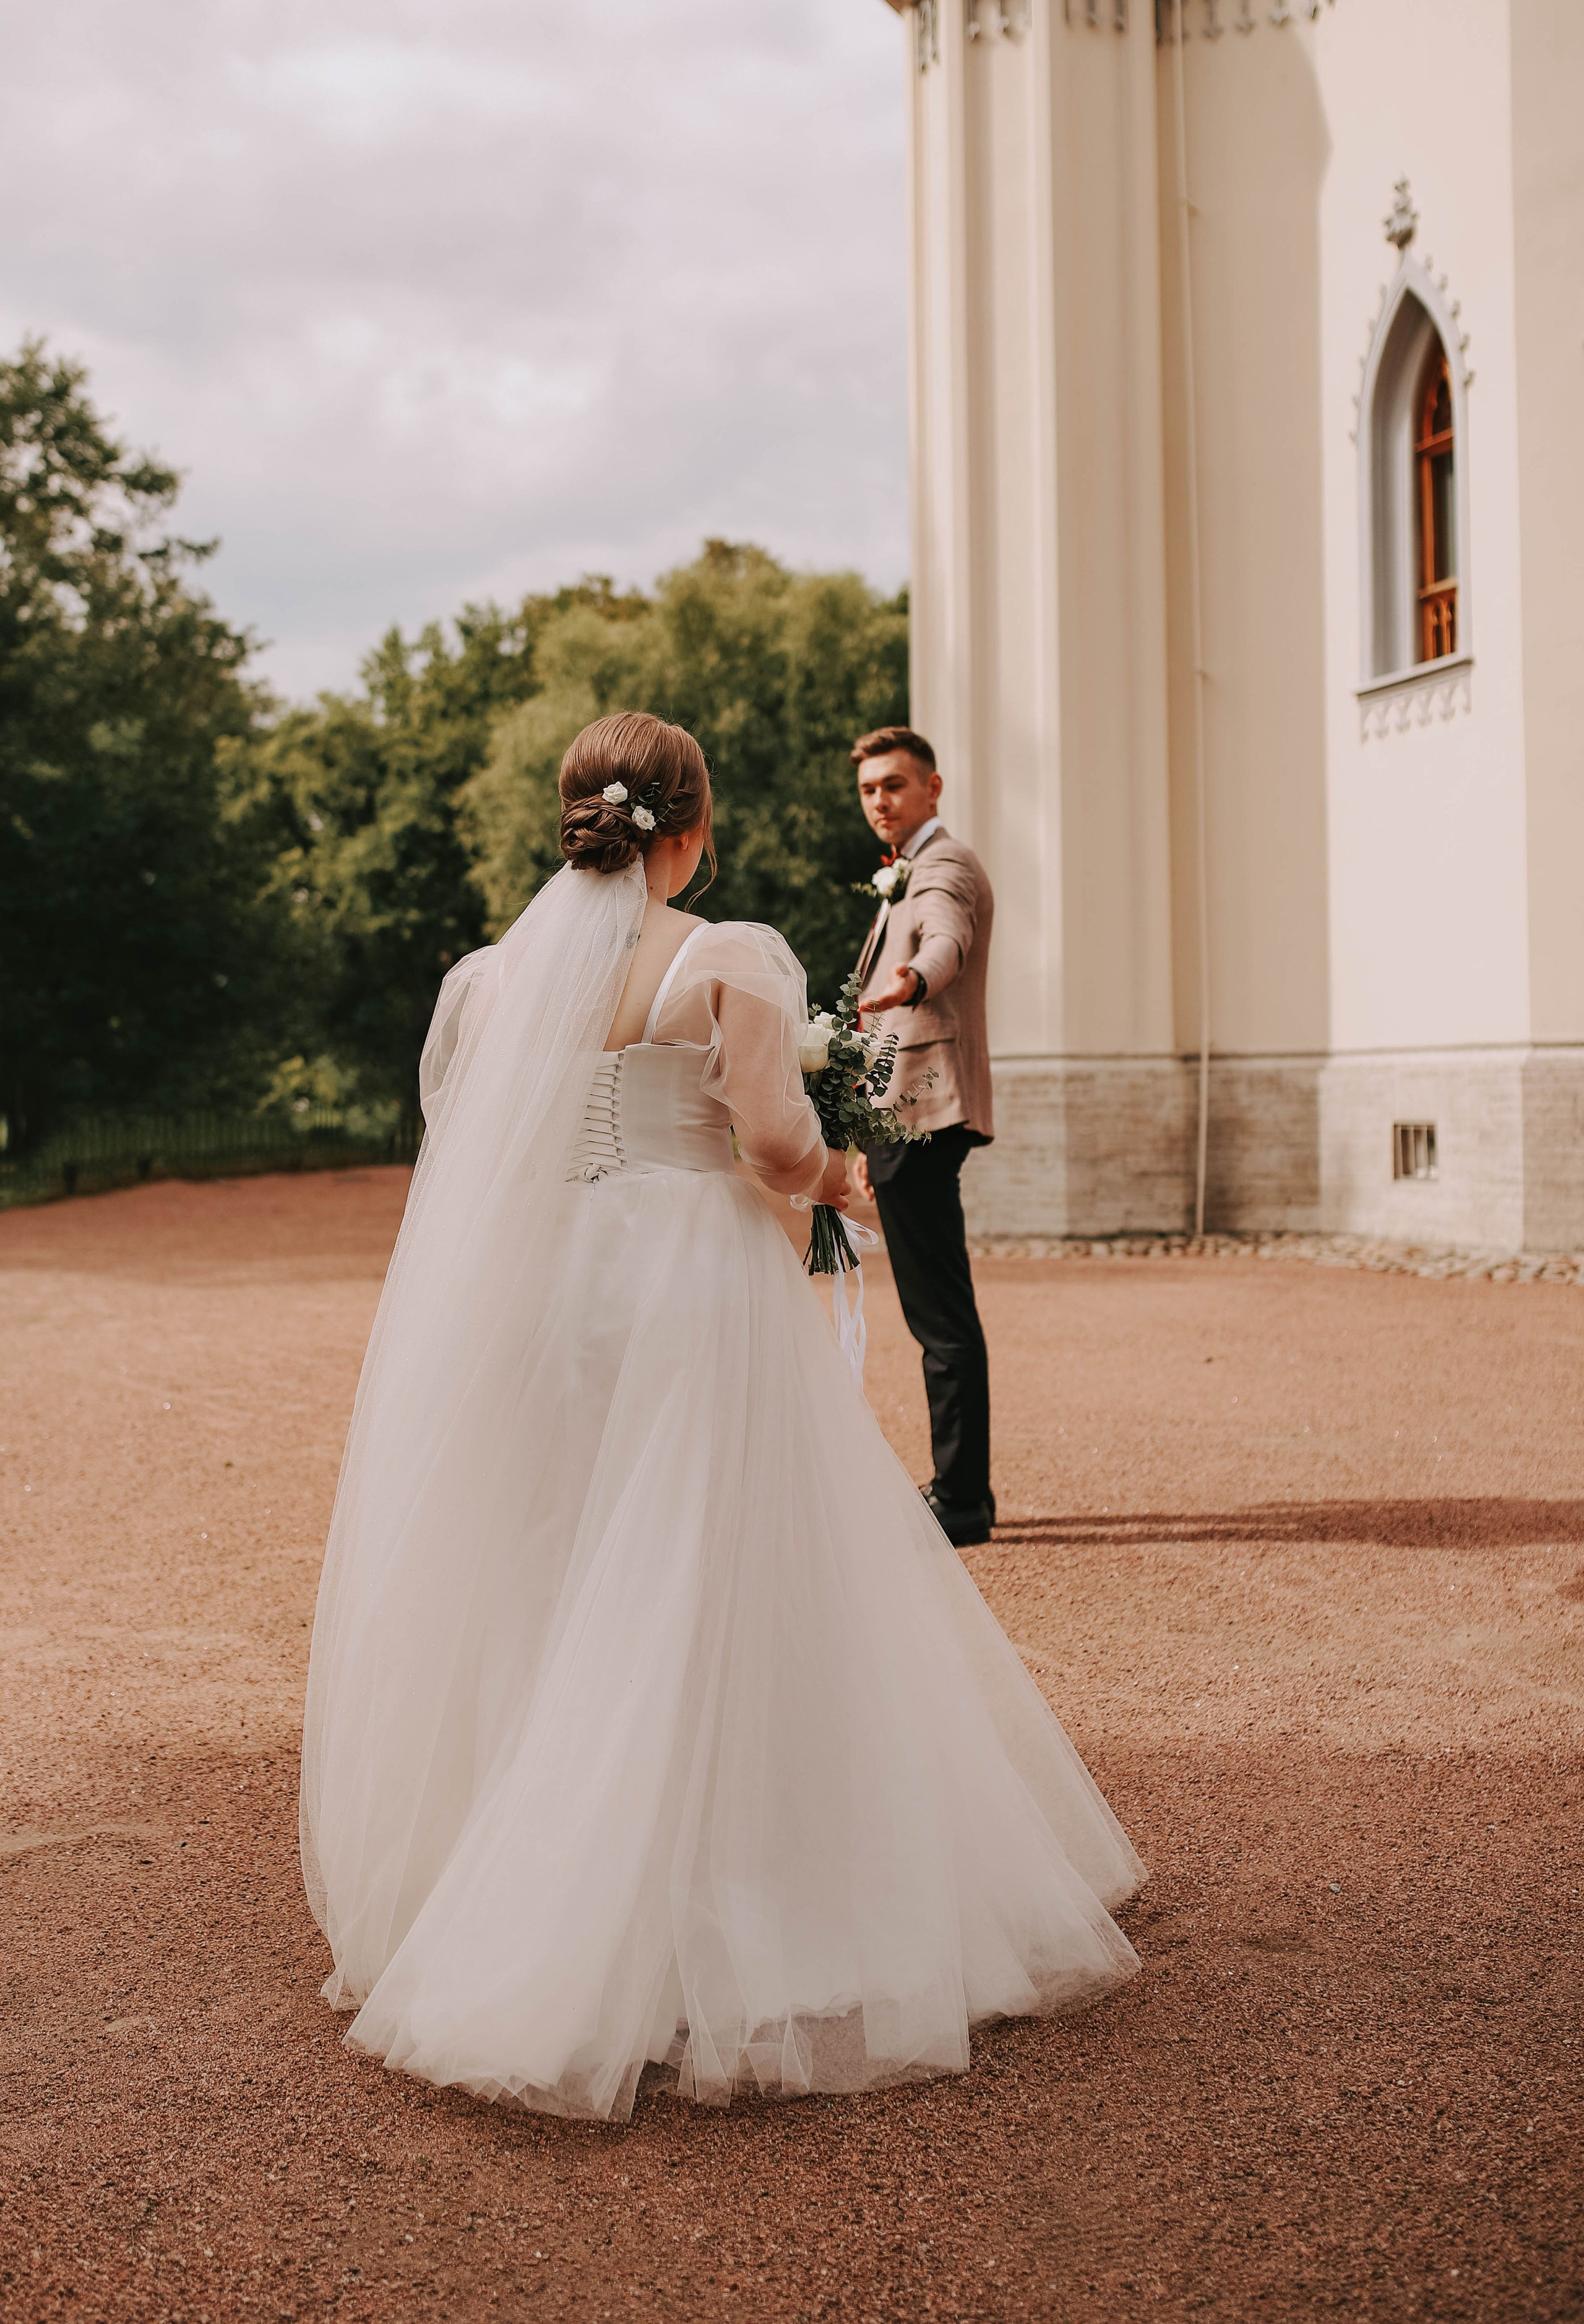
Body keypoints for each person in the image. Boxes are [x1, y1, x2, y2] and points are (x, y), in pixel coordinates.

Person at [299, 710, 1142, 2124]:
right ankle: (725, 1903)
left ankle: (527, 1893)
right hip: (690, 1289)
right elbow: (764, 1139)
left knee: (559, 1569)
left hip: (546, 1299)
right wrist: (837, 1180)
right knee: (705, 1570)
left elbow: (476, 1150)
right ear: (689, 827)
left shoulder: (490, 981)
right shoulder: (728, 956)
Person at [851, 726, 997, 1549]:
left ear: (933, 789)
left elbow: (946, 935)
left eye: (895, 785)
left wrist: (918, 974)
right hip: (901, 1115)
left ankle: (962, 1500)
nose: (881, 801)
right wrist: (868, 1133)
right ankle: (962, 1487)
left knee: (939, 1316)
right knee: (936, 1310)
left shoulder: (942, 866)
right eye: (870, 789)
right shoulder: (899, 872)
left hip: (927, 1108)